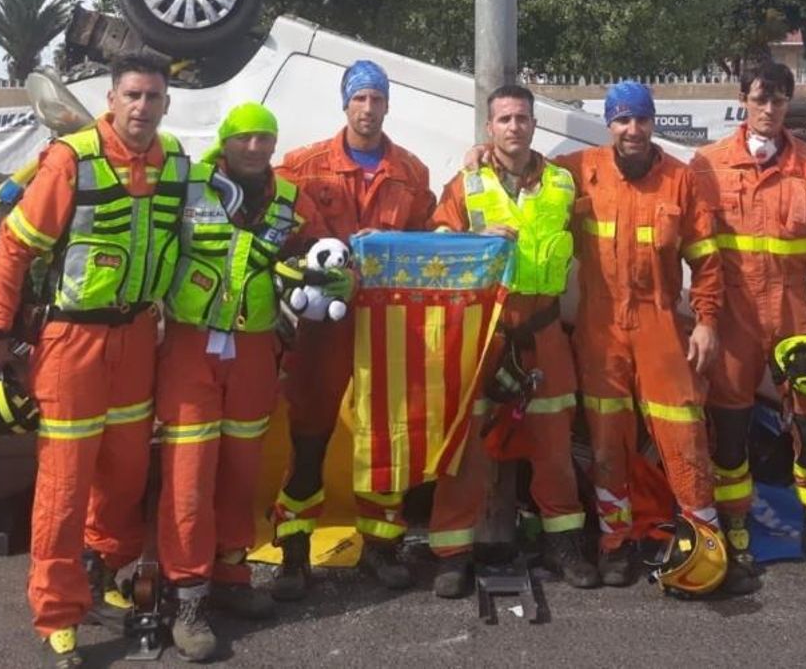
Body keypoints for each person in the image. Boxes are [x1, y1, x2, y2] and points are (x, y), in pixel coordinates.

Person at [0, 56, 190, 669]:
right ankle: (58, 614)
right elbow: (14, 248)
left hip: (140, 336)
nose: (143, 107)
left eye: (153, 97)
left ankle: (105, 570)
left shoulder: (176, 163)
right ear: (112, 101)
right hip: (73, 342)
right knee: (64, 487)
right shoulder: (72, 160)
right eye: (133, 95)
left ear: (167, 104)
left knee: (122, 476)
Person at [156, 103, 340, 661]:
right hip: (191, 346)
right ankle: (188, 596)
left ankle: (232, 575)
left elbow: (321, 254)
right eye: (246, 139)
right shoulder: (190, 186)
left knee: (241, 470)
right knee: (189, 477)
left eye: (266, 139)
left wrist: (331, 278)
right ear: (227, 141)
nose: (256, 148)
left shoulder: (288, 198)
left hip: (257, 348)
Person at [557, 80, 756, 595]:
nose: (633, 129)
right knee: (606, 440)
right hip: (601, 329)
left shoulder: (680, 180)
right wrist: (481, 155)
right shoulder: (582, 172)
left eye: (641, 119)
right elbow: (522, 175)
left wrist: (708, 320)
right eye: (622, 120)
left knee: (684, 433)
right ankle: (615, 543)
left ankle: (705, 543)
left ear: (652, 123)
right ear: (610, 124)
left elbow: (707, 261)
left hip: (661, 323)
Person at [270, 59, 436, 598]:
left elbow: (432, 235)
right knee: (310, 435)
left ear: (388, 105)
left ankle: (381, 547)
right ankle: (293, 553)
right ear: (345, 104)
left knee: (385, 436)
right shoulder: (302, 166)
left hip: (386, 324)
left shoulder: (411, 172)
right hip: (323, 329)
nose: (368, 109)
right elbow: (274, 231)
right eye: (359, 99)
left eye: (377, 99)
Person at [427, 84, 599, 597]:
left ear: (534, 124)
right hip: (484, 331)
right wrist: (473, 242)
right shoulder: (465, 183)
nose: (514, 127)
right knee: (467, 449)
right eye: (504, 119)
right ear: (489, 127)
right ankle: (452, 555)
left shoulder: (564, 182)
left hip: (543, 330)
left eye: (522, 118)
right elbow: (436, 247)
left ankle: (564, 544)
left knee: (553, 447)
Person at [690, 63, 806, 578]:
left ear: (789, 104)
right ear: (743, 99)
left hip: (796, 316)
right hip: (735, 316)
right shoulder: (708, 165)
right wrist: (707, 319)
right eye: (761, 99)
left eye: (779, 100)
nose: (769, 110)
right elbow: (698, 253)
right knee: (730, 426)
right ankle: (736, 522)